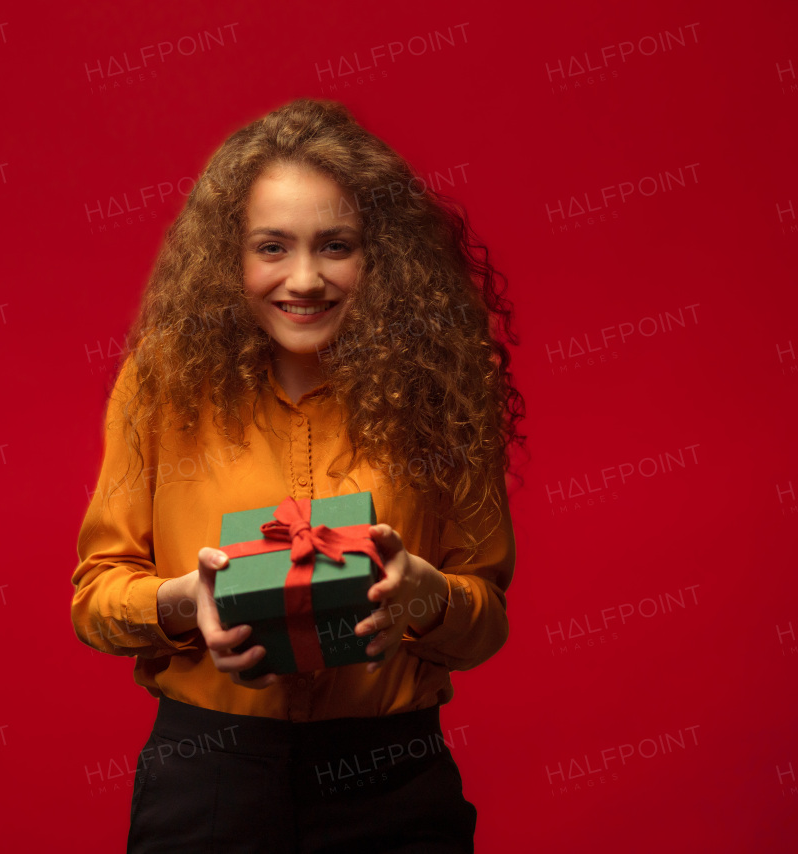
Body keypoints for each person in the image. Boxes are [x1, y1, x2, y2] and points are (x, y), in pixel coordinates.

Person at [71, 97, 526, 853]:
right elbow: (94, 598)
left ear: (381, 254)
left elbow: (486, 620)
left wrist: (423, 594)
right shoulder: (160, 382)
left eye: (337, 246)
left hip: (394, 779)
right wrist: (187, 602)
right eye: (272, 247)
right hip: (209, 777)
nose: (306, 280)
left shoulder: (444, 384)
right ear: (228, 255)